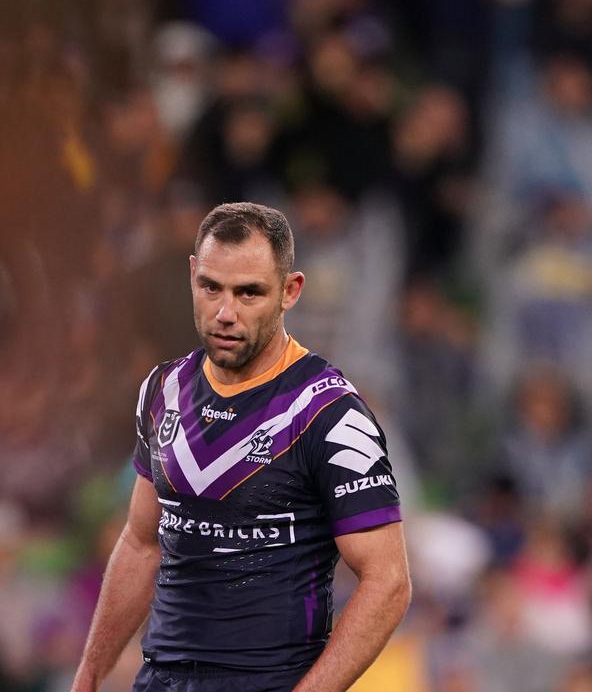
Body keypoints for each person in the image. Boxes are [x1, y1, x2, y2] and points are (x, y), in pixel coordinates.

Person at [71, 203, 411, 692]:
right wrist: (88, 676)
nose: (225, 313)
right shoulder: (162, 389)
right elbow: (141, 543)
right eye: (211, 288)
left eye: (249, 293)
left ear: (290, 291)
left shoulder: (331, 413)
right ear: (192, 275)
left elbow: (389, 582)